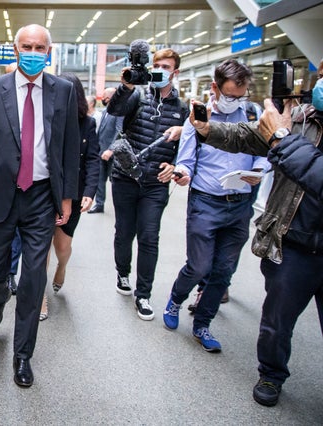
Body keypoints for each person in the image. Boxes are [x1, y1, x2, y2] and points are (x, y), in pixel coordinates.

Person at [190, 65, 323, 407]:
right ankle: (271, 373)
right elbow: (249, 136)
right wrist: (208, 130)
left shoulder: (289, 130)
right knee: (276, 320)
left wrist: (281, 139)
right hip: (292, 240)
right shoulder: (303, 120)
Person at [0, 24, 79, 388]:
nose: (32, 51)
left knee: (33, 276)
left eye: (39, 47)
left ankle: (22, 355)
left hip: (42, 196)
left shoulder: (63, 90)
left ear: (49, 51)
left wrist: (66, 196)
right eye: (26, 46)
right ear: (15, 49)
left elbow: (69, 145)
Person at [161, 59, 270, 352]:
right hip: (206, 202)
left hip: (240, 204)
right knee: (199, 265)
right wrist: (182, 174)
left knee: (223, 271)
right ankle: (175, 300)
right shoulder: (198, 118)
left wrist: (259, 171)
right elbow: (185, 160)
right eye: (231, 94)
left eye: (242, 94)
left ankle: (202, 324)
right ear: (215, 88)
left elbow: (264, 150)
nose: (236, 100)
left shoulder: (252, 113)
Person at [106, 47, 188, 320]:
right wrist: (125, 86)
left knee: (150, 237)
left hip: (155, 184)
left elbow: (188, 149)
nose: (160, 70)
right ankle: (123, 272)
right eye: (156, 65)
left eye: (166, 66)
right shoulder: (138, 96)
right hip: (125, 177)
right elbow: (114, 109)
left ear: (175, 72)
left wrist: (175, 166)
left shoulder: (183, 109)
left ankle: (144, 295)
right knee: (124, 231)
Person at [40, 73, 100, 320]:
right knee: (39, 247)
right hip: (43, 190)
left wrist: (89, 191)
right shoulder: (44, 118)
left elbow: (93, 158)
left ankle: (62, 267)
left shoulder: (87, 123)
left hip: (72, 192)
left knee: (61, 245)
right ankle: (40, 297)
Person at [89, 87, 122, 214]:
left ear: (109, 98)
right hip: (100, 151)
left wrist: (111, 150)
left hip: (112, 154)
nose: (103, 99)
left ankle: (120, 207)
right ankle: (99, 204)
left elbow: (119, 131)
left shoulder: (119, 112)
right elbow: (101, 130)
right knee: (99, 179)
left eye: (104, 96)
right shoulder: (105, 111)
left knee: (115, 181)